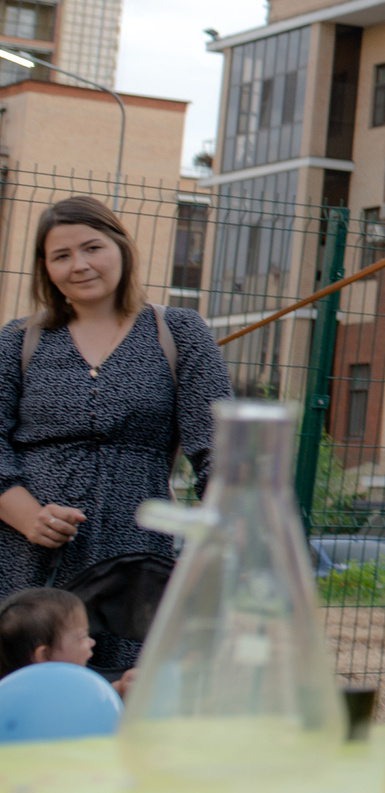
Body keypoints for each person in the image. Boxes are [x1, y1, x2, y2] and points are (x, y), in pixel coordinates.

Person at [0, 196, 229, 675]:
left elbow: (219, 452)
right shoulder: (17, 341)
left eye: (92, 247)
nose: (79, 265)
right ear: (45, 269)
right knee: (27, 691)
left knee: (129, 692)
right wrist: (28, 516)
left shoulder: (179, 333)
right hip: (28, 560)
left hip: (134, 562)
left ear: (122, 249)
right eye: (60, 256)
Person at [0, 585, 128, 694]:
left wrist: (119, 689)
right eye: (82, 637)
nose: (92, 642)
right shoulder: (49, 699)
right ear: (44, 655)